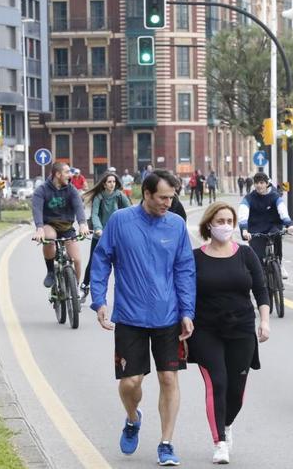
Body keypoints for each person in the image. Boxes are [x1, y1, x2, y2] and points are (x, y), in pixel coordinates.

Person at [89, 169, 195, 466]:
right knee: (130, 382)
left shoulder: (176, 226)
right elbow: (101, 260)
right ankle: (133, 418)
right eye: (162, 197)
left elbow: (185, 270)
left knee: (168, 379)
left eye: (171, 198)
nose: (168, 203)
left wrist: (187, 311)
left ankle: (166, 443)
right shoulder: (121, 222)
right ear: (146, 194)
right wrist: (100, 301)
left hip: (168, 316)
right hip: (130, 316)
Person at [189, 202, 270, 464]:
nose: (225, 226)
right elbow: (185, 293)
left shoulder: (245, 254)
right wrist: (184, 320)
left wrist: (265, 321)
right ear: (209, 224)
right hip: (206, 330)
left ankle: (226, 423)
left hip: (242, 328)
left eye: (229, 221)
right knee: (218, 382)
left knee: (236, 390)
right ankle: (219, 442)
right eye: (220, 221)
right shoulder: (195, 257)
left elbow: (260, 289)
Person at [31, 162, 91, 288]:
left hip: (67, 227)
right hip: (50, 225)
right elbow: (37, 210)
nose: (70, 175)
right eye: (67, 172)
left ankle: (75, 289)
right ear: (58, 174)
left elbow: (79, 207)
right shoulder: (42, 190)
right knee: (49, 239)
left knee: (77, 260)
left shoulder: (71, 189)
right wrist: (39, 228)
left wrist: (82, 224)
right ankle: (51, 272)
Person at [81, 170, 131, 294]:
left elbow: (130, 211)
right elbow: (95, 215)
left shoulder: (119, 195)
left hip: (117, 236)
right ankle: (85, 285)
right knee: (93, 261)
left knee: (122, 264)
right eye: (109, 182)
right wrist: (98, 228)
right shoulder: (99, 197)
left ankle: (126, 290)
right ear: (104, 184)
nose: (112, 184)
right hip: (100, 235)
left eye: (114, 181)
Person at [239, 172, 293, 277]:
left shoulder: (274, 196)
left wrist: (289, 224)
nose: (259, 185)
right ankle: (262, 281)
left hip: (272, 227)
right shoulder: (249, 198)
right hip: (255, 230)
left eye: (261, 183)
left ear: (266, 184)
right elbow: (243, 214)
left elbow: (282, 211)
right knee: (258, 258)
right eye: (256, 183)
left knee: (277, 235)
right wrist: (244, 230)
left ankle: (279, 262)